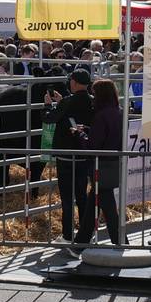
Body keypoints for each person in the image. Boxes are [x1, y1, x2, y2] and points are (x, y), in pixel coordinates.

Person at [47, 68, 97, 243]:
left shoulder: (68, 101)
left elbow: (49, 118)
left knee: (67, 198)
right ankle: (84, 235)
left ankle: (68, 235)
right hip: (84, 154)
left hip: (66, 155)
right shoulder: (92, 101)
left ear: (73, 82)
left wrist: (48, 105)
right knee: (82, 195)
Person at [80, 79, 125, 246]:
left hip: (100, 164)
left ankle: (121, 241)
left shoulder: (100, 116)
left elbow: (93, 146)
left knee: (108, 208)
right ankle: (81, 242)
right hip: (113, 161)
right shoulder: (119, 112)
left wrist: (81, 136)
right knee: (95, 202)